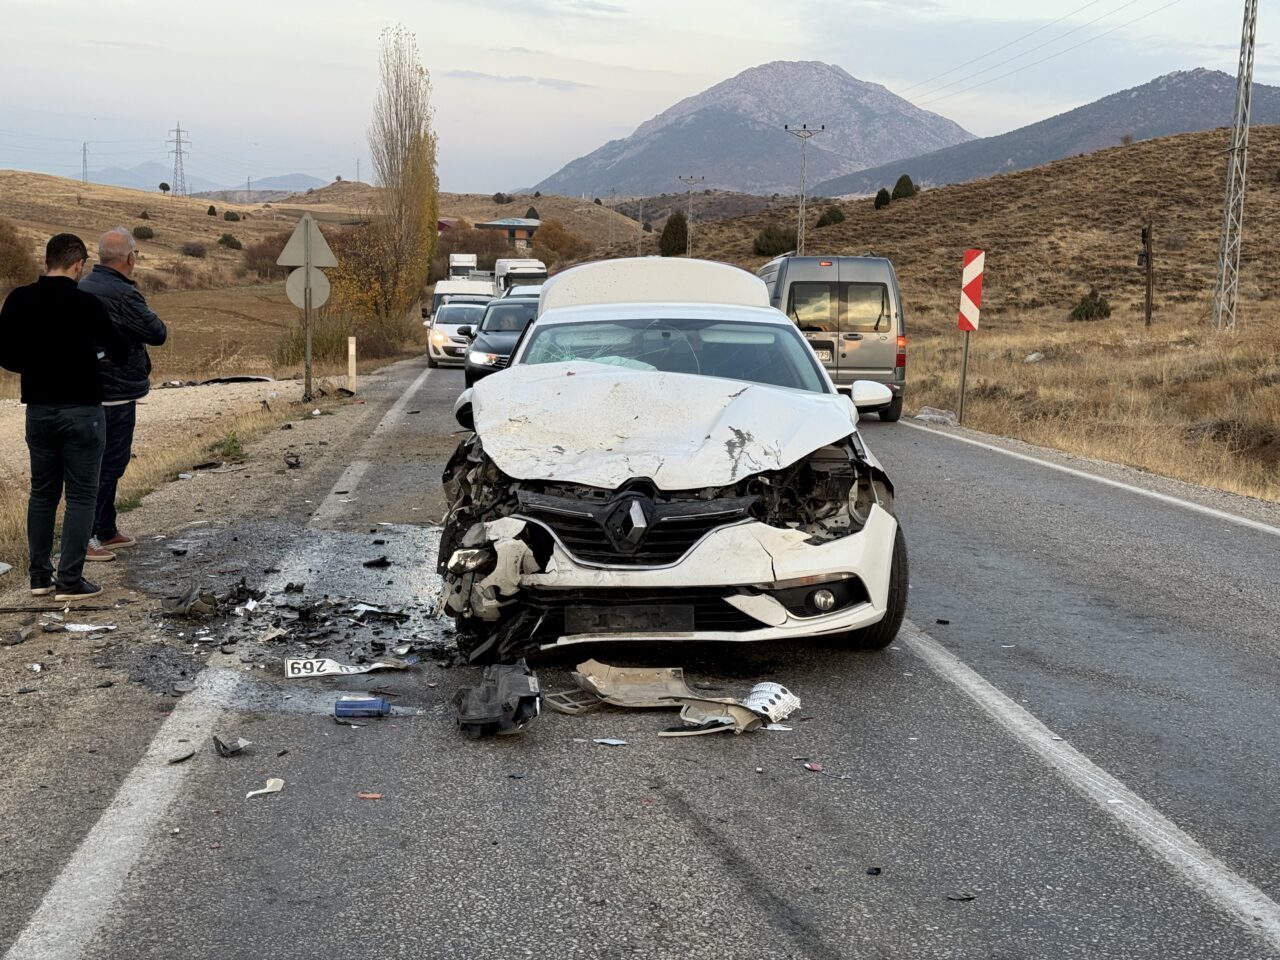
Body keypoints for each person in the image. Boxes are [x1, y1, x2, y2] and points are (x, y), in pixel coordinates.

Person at [0, 233, 127, 601]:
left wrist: (35, 366)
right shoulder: (86, 303)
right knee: (82, 494)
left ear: (46, 262)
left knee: (42, 492)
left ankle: (40, 577)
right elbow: (118, 349)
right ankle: (70, 580)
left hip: (38, 409)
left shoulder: (19, 299)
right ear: (78, 265)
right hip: (82, 410)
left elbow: (4, 353)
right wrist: (94, 359)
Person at [79, 226, 167, 560]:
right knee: (110, 463)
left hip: (90, 387)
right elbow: (157, 332)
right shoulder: (123, 294)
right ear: (129, 258)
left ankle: (105, 529)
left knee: (100, 463)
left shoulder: (83, 286)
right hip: (115, 390)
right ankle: (89, 536)